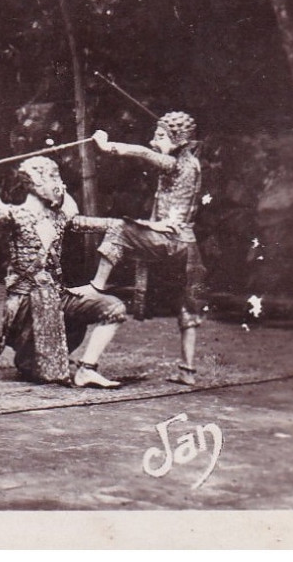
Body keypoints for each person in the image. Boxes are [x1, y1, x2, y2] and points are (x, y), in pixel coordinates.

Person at [67, 111, 208, 385]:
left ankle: (97, 284)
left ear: (178, 140)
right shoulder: (187, 162)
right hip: (187, 246)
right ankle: (187, 372)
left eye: (161, 136)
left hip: (173, 242)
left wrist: (108, 147)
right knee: (186, 308)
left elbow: (145, 153)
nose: (155, 141)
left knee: (120, 228)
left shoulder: (181, 165)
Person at [0, 156, 129, 388]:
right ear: (34, 182)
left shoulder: (59, 218)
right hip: (27, 303)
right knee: (39, 371)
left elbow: (112, 225)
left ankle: (87, 369)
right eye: (53, 177)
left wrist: (140, 227)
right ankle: (31, 357)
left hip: (56, 297)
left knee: (115, 309)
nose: (60, 184)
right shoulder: (16, 214)